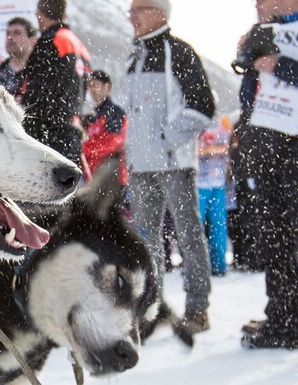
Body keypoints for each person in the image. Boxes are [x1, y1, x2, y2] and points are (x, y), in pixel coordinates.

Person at [125, 0, 215, 333]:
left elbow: (204, 105)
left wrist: (166, 138)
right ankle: (149, 311)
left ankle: (197, 308)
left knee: (189, 236)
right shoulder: (134, 55)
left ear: (159, 12)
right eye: (130, 9)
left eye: (138, 9)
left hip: (173, 164)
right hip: (140, 166)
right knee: (146, 243)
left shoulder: (179, 52)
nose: (131, 16)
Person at [236, 0, 298, 350]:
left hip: (293, 153)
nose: (258, 5)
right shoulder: (268, 33)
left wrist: (282, 65)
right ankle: (283, 317)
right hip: (269, 152)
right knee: (275, 239)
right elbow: (251, 92)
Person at [228, 0, 278, 273]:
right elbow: (243, 67)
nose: (257, 5)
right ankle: (278, 311)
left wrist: (275, 64)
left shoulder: (288, 32)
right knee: (265, 216)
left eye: (262, 1)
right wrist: (245, 54)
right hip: (256, 127)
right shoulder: (257, 32)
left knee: (282, 219)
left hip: (283, 128)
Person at [19, 0, 91, 165]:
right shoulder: (78, 44)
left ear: (39, 14)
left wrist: (26, 132)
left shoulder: (49, 41)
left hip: (49, 135)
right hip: (72, 132)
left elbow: (36, 93)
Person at [197, 115, 233, 277]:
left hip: (217, 183)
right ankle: (199, 266)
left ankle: (218, 265)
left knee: (217, 226)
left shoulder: (223, 122)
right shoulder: (195, 122)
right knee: (197, 227)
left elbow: (231, 146)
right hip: (199, 183)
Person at [81, 69, 127, 189]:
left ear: (107, 87)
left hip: (110, 178)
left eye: (95, 85)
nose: (91, 90)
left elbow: (113, 143)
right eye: (90, 86)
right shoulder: (94, 116)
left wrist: (83, 149)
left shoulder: (115, 113)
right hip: (93, 179)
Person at [0, 17, 37, 98]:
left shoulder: (41, 73)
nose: (10, 38)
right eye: (8, 33)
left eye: (17, 33)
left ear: (33, 40)